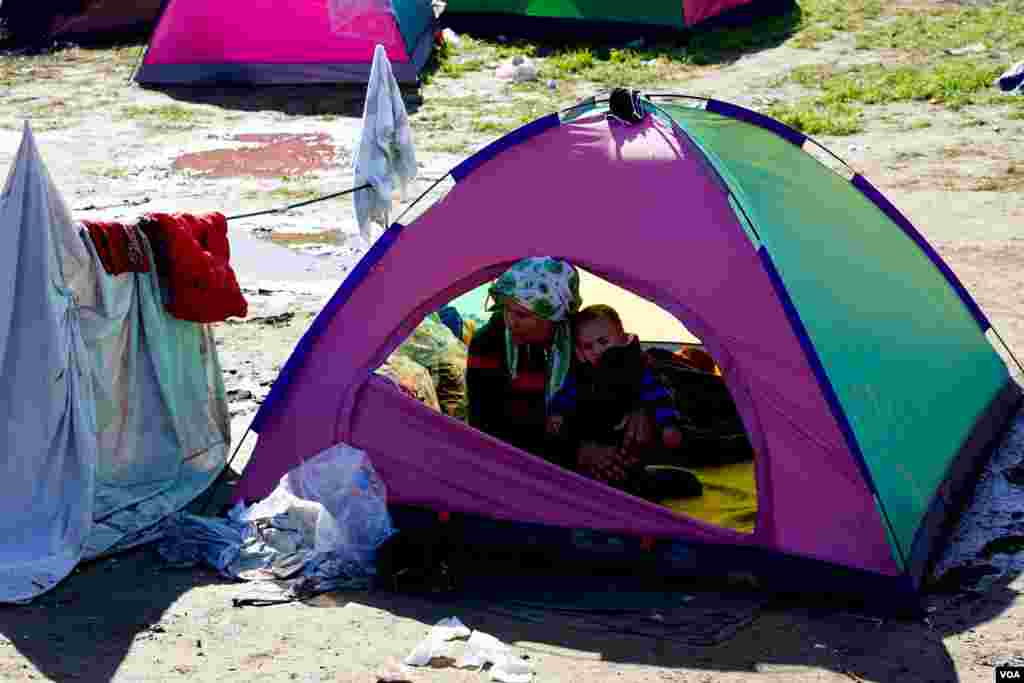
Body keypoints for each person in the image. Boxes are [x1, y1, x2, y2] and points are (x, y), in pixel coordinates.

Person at [546, 304, 702, 500]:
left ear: (621, 337)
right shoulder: (582, 373)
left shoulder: (636, 368)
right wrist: (557, 412)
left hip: (631, 448)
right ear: (580, 350)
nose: (596, 350)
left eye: (603, 341)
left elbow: (657, 395)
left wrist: (668, 425)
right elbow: (566, 394)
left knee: (644, 479)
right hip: (598, 444)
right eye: (588, 346)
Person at [465, 257, 583, 463]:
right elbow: (484, 419)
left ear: (554, 315)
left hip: (571, 454)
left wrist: (639, 411)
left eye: (522, 314)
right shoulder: (488, 342)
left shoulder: (583, 338)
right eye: (506, 309)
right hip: (510, 458)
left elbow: (623, 368)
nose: (511, 322)